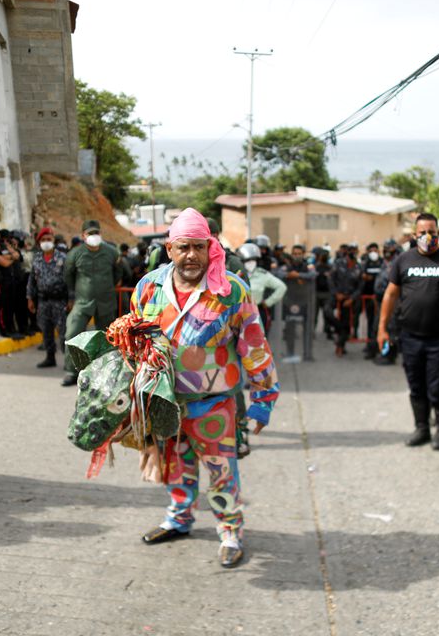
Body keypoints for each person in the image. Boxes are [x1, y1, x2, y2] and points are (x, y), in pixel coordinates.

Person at [132, 208, 279, 568]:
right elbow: (133, 342)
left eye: (199, 247)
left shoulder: (230, 291)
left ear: (211, 246)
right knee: (175, 466)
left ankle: (230, 531)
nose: (191, 255)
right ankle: (179, 519)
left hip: (213, 405)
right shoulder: (148, 288)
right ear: (169, 249)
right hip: (165, 402)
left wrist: (263, 400)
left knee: (221, 471)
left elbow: (254, 346)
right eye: (184, 247)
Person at [377, 213, 439, 450]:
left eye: (432, 231)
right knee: (416, 387)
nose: (427, 236)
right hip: (410, 337)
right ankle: (421, 428)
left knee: (438, 389)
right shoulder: (403, 260)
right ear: (414, 235)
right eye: (422, 232)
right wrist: (382, 329)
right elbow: (390, 294)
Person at [62, 220, 124, 386]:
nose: (93, 236)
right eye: (90, 234)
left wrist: (111, 283)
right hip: (83, 302)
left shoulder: (111, 252)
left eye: (96, 233)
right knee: (72, 333)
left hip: (106, 301)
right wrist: (73, 295)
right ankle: (70, 371)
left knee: (108, 338)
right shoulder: (75, 254)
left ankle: (108, 371)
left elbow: (120, 271)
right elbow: (68, 276)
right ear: (83, 236)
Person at [27, 227, 68, 369]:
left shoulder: (62, 258)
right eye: (43, 240)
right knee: (46, 330)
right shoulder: (37, 259)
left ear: (53, 240)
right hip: (43, 301)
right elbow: (32, 279)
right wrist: (30, 298)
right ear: (39, 242)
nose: (46, 242)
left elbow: (70, 280)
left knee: (63, 333)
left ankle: (68, 362)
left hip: (59, 301)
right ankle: (50, 357)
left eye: (49, 239)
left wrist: (71, 299)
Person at [278, 244, 317, 361]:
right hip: (290, 301)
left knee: (307, 329)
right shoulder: (288, 266)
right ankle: (290, 353)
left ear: (303, 254)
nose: (297, 256)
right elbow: (279, 273)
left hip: (305, 302)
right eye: (295, 254)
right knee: (290, 329)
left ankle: (307, 354)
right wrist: (289, 275)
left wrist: (298, 275)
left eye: (299, 254)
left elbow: (313, 274)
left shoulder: (308, 266)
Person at [237, 243, 287, 336]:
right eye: (248, 260)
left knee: (258, 343)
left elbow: (281, 287)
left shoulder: (262, 275)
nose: (251, 262)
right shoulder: (236, 274)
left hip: (257, 312)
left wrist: (268, 302)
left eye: (253, 260)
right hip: (238, 312)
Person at [330, 244, 363, 357]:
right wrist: (336, 293)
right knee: (327, 313)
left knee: (346, 323)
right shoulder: (338, 263)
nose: (352, 253)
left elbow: (360, 287)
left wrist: (352, 298)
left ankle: (340, 345)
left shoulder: (359, 267)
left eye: (354, 251)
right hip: (336, 297)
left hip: (349, 299)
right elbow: (331, 279)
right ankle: (337, 334)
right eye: (350, 251)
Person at [359, 243, 384, 358]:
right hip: (368, 297)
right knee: (371, 323)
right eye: (371, 250)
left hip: (380, 298)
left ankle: (380, 347)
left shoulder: (383, 262)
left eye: (375, 250)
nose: (373, 252)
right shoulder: (365, 263)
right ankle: (370, 346)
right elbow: (362, 277)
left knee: (380, 323)